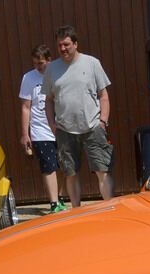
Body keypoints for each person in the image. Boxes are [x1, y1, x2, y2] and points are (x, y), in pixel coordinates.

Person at [43, 25, 114, 205]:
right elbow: (49, 100)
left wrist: (103, 121)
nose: (63, 49)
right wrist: (52, 124)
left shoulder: (92, 63)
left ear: (76, 44)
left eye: (66, 44)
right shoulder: (52, 69)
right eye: (60, 45)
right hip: (65, 130)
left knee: (102, 170)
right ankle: (76, 211)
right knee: (70, 173)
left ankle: (110, 208)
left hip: (93, 128)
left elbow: (103, 95)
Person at [19, 44, 66, 213]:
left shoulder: (58, 74)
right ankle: (53, 203)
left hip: (60, 128)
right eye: (35, 64)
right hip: (40, 130)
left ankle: (60, 198)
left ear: (49, 60)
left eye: (41, 63)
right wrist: (25, 134)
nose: (38, 67)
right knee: (49, 166)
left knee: (61, 166)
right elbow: (25, 107)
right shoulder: (28, 78)